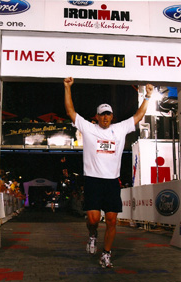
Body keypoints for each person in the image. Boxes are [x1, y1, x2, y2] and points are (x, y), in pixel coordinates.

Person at [64, 77, 154, 268]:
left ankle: (106, 254)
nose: (105, 118)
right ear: (96, 116)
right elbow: (71, 112)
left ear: (112, 116)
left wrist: (147, 96)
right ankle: (92, 234)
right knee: (93, 219)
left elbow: (138, 116)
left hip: (112, 182)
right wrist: (67, 87)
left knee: (112, 221)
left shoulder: (120, 129)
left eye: (108, 114)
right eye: (102, 115)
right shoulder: (88, 128)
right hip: (93, 181)